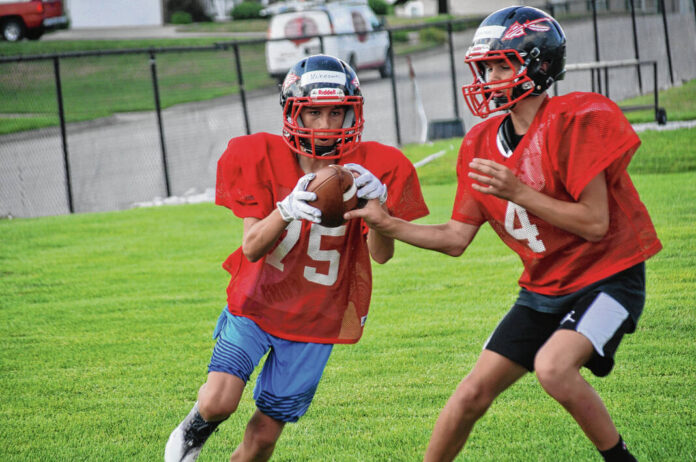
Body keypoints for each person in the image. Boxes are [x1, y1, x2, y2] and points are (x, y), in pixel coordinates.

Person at [345, 6, 661, 462]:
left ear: (538, 64)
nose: (488, 75)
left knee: (554, 369)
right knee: (471, 394)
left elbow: (596, 223)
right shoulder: (480, 141)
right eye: (485, 66)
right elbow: (456, 238)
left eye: (499, 64)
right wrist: (387, 223)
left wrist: (520, 191)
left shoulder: (577, 119)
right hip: (544, 288)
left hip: (609, 279)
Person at [163, 54, 428, 462]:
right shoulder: (260, 156)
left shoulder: (377, 167)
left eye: (336, 113)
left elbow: (382, 255)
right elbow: (252, 247)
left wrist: (380, 209)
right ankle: (194, 430)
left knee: (264, 437)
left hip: (316, 316)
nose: (324, 126)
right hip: (256, 303)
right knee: (219, 402)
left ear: (352, 113)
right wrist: (284, 209)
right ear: (292, 113)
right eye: (313, 114)